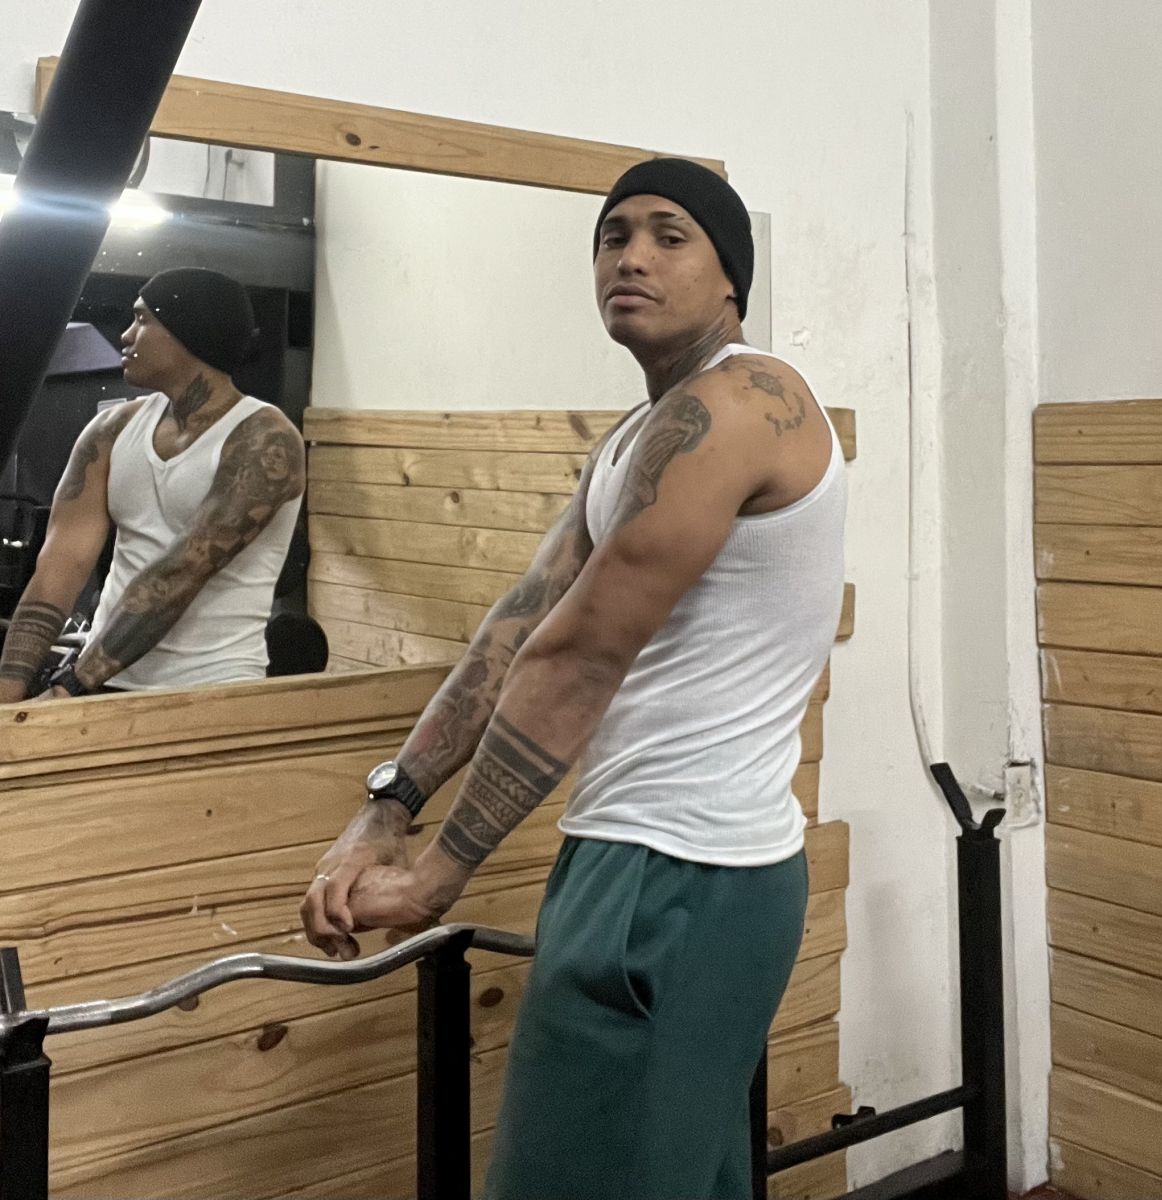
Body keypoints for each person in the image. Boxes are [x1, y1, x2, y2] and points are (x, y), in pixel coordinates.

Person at [299, 158, 846, 1199]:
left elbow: (581, 655)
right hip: (659, 865)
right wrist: (390, 804)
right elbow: (518, 627)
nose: (632, 256)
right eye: (613, 236)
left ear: (731, 278)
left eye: (669, 236)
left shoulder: (739, 405)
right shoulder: (642, 434)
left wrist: (435, 877)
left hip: (674, 874)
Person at [0, 267, 305, 701]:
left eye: (143, 319)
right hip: (101, 679)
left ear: (189, 332)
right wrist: (8, 695)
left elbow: (181, 572)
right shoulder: (111, 431)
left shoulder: (264, 439)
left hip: (212, 688)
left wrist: (71, 686)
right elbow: (60, 566)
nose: (126, 335)